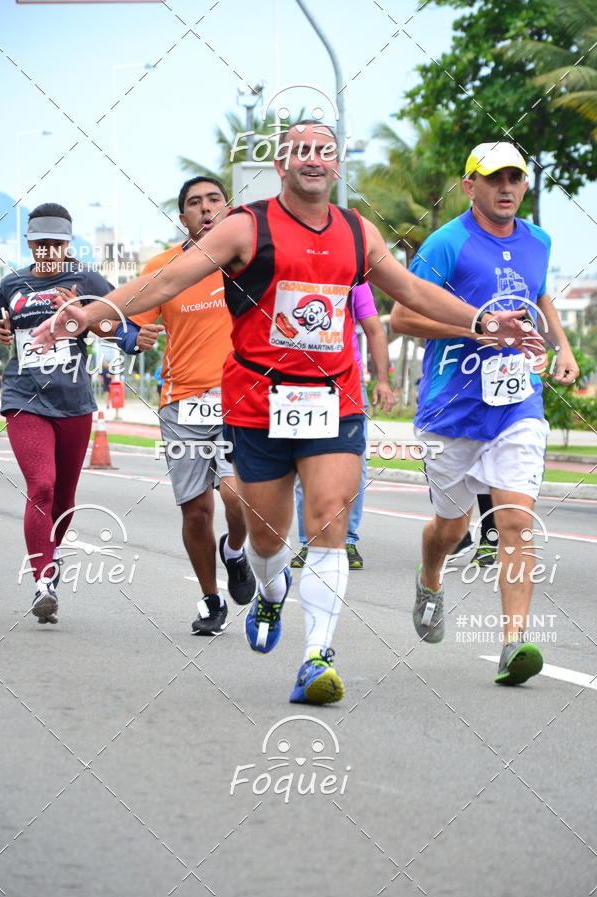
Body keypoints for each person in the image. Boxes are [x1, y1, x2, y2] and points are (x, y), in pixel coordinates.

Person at [33, 123, 537, 704]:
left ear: (337, 164)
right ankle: (272, 592)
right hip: (257, 400)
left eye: (326, 150)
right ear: (281, 164)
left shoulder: (357, 231)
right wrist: (89, 312)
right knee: (268, 538)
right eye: (302, 149)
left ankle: (317, 655)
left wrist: (482, 321)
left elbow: (413, 292)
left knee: (325, 518)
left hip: (334, 399)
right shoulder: (247, 226)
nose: (314, 159)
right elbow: (166, 279)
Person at [390, 142, 578, 685]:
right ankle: (430, 574)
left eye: (515, 178)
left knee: (516, 521)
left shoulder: (538, 240)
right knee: (451, 528)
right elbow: (402, 316)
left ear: (525, 185)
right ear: (469, 186)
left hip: (517, 404)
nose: (506, 188)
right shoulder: (446, 243)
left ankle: (513, 643)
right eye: (494, 179)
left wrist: (560, 344)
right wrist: (478, 327)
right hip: (451, 407)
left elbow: (541, 298)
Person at [115, 176, 255, 634]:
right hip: (182, 404)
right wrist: (138, 338)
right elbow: (126, 327)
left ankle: (234, 550)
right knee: (196, 509)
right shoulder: (164, 267)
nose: (205, 208)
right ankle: (211, 600)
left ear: (228, 209)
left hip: (240, 399)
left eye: (214, 199)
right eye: (195, 203)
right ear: (183, 218)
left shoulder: (248, 261)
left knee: (237, 496)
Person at [0, 202, 115, 625]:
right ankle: (42, 580)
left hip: (74, 401)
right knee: (41, 487)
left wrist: (86, 319)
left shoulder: (86, 279)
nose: (48, 249)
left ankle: (52, 553)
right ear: (29, 242)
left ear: (68, 242)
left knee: (63, 500)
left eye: (56, 242)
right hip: (23, 396)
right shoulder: (11, 283)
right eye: (40, 242)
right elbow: (1, 327)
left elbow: (115, 329)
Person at [291, 281, 394, 569]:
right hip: (300, 383)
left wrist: (382, 380)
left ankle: (347, 539)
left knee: (354, 465)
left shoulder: (354, 276)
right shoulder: (291, 273)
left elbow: (374, 328)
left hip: (347, 382)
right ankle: (308, 540)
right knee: (305, 465)